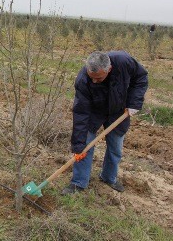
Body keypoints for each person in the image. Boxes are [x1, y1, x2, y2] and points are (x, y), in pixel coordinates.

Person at [62, 51, 148, 195]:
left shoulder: (123, 62)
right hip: (93, 111)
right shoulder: (83, 80)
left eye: (99, 78)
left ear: (109, 69)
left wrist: (134, 102)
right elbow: (81, 113)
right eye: (92, 78)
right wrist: (78, 145)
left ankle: (109, 177)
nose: (94, 81)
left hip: (118, 110)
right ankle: (79, 182)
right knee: (84, 147)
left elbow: (141, 77)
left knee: (115, 148)